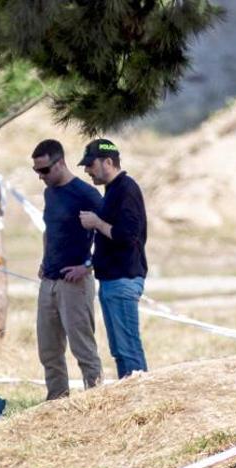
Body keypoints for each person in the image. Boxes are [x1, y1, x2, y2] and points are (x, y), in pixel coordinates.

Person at [32, 139, 104, 400]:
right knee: (48, 349)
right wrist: (44, 259)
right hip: (49, 280)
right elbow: (50, 229)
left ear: (60, 162)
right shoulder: (49, 193)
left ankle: (96, 401)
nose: (41, 177)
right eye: (36, 171)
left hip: (75, 284)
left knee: (83, 348)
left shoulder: (86, 194)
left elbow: (112, 234)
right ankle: (56, 401)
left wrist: (88, 266)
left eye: (45, 170)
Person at [78, 139, 149, 378]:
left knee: (128, 350)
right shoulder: (112, 191)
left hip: (123, 279)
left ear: (108, 161)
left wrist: (96, 222)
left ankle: (142, 404)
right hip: (111, 280)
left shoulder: (126, 189)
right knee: (119, 351)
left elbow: (127, 235)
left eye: (90, 164)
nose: (87, 170)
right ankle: (130, 402)